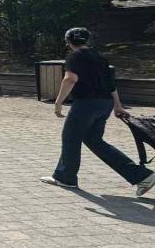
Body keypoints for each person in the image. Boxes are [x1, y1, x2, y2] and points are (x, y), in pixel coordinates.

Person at [40, 27, 155, 195]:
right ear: (88, 40)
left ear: (68, 42)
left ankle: (66, 178)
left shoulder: (74, 56)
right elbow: (111, 84)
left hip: (86, 104)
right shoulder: (100, 58)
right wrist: (117, 105)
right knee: (94, 141)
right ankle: (142, 176)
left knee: (71, 138)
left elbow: (70, 78)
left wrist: (58, 102)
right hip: (105, 104)